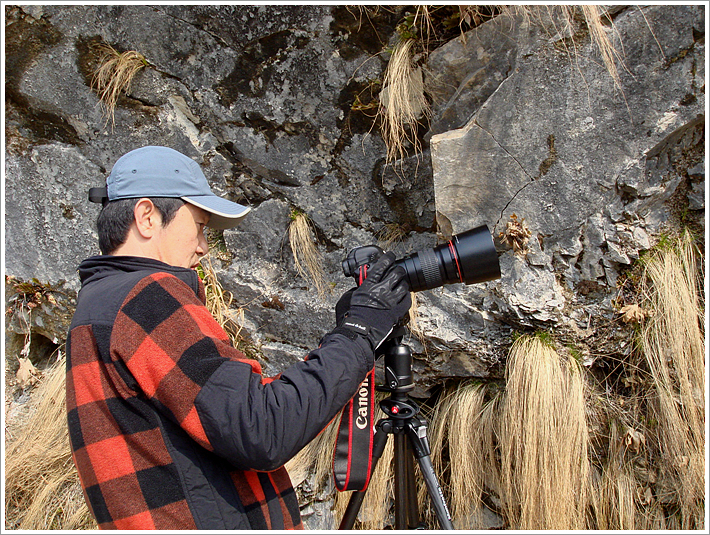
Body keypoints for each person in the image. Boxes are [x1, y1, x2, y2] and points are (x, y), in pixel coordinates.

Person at [65, 145, 411, 530]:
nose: (202, 246)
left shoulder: (96, 307)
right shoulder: (147, 296)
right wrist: (359, 332)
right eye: (199, 225)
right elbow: (263, 428)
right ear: (147, 217)